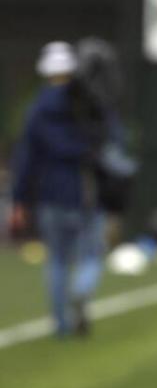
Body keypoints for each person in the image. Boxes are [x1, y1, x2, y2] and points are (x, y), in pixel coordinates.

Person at [9, 40, 124, 337]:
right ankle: (82, 289)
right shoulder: (92, 105)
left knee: (58, 260)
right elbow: (113, 141)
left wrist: (19, 199)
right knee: (90, 254)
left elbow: (26, 158)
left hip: (52, 195)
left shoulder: (37, 110)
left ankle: (61, 324)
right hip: (88, 191)